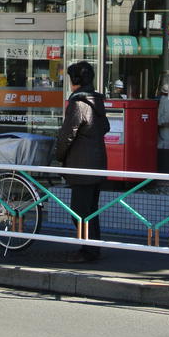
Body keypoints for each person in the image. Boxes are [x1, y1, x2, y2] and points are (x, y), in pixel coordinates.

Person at [54, 61, 110, 263]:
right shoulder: (96, 101)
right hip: (96, 164)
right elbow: (105, 127)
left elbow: (67, 136)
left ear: (75, 80)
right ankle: (93, 248)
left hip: (82, 166)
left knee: (79, 212)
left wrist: (58, 156)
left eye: (71, 79)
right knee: (90, 210)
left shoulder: (78, 103)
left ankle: (88, 251)